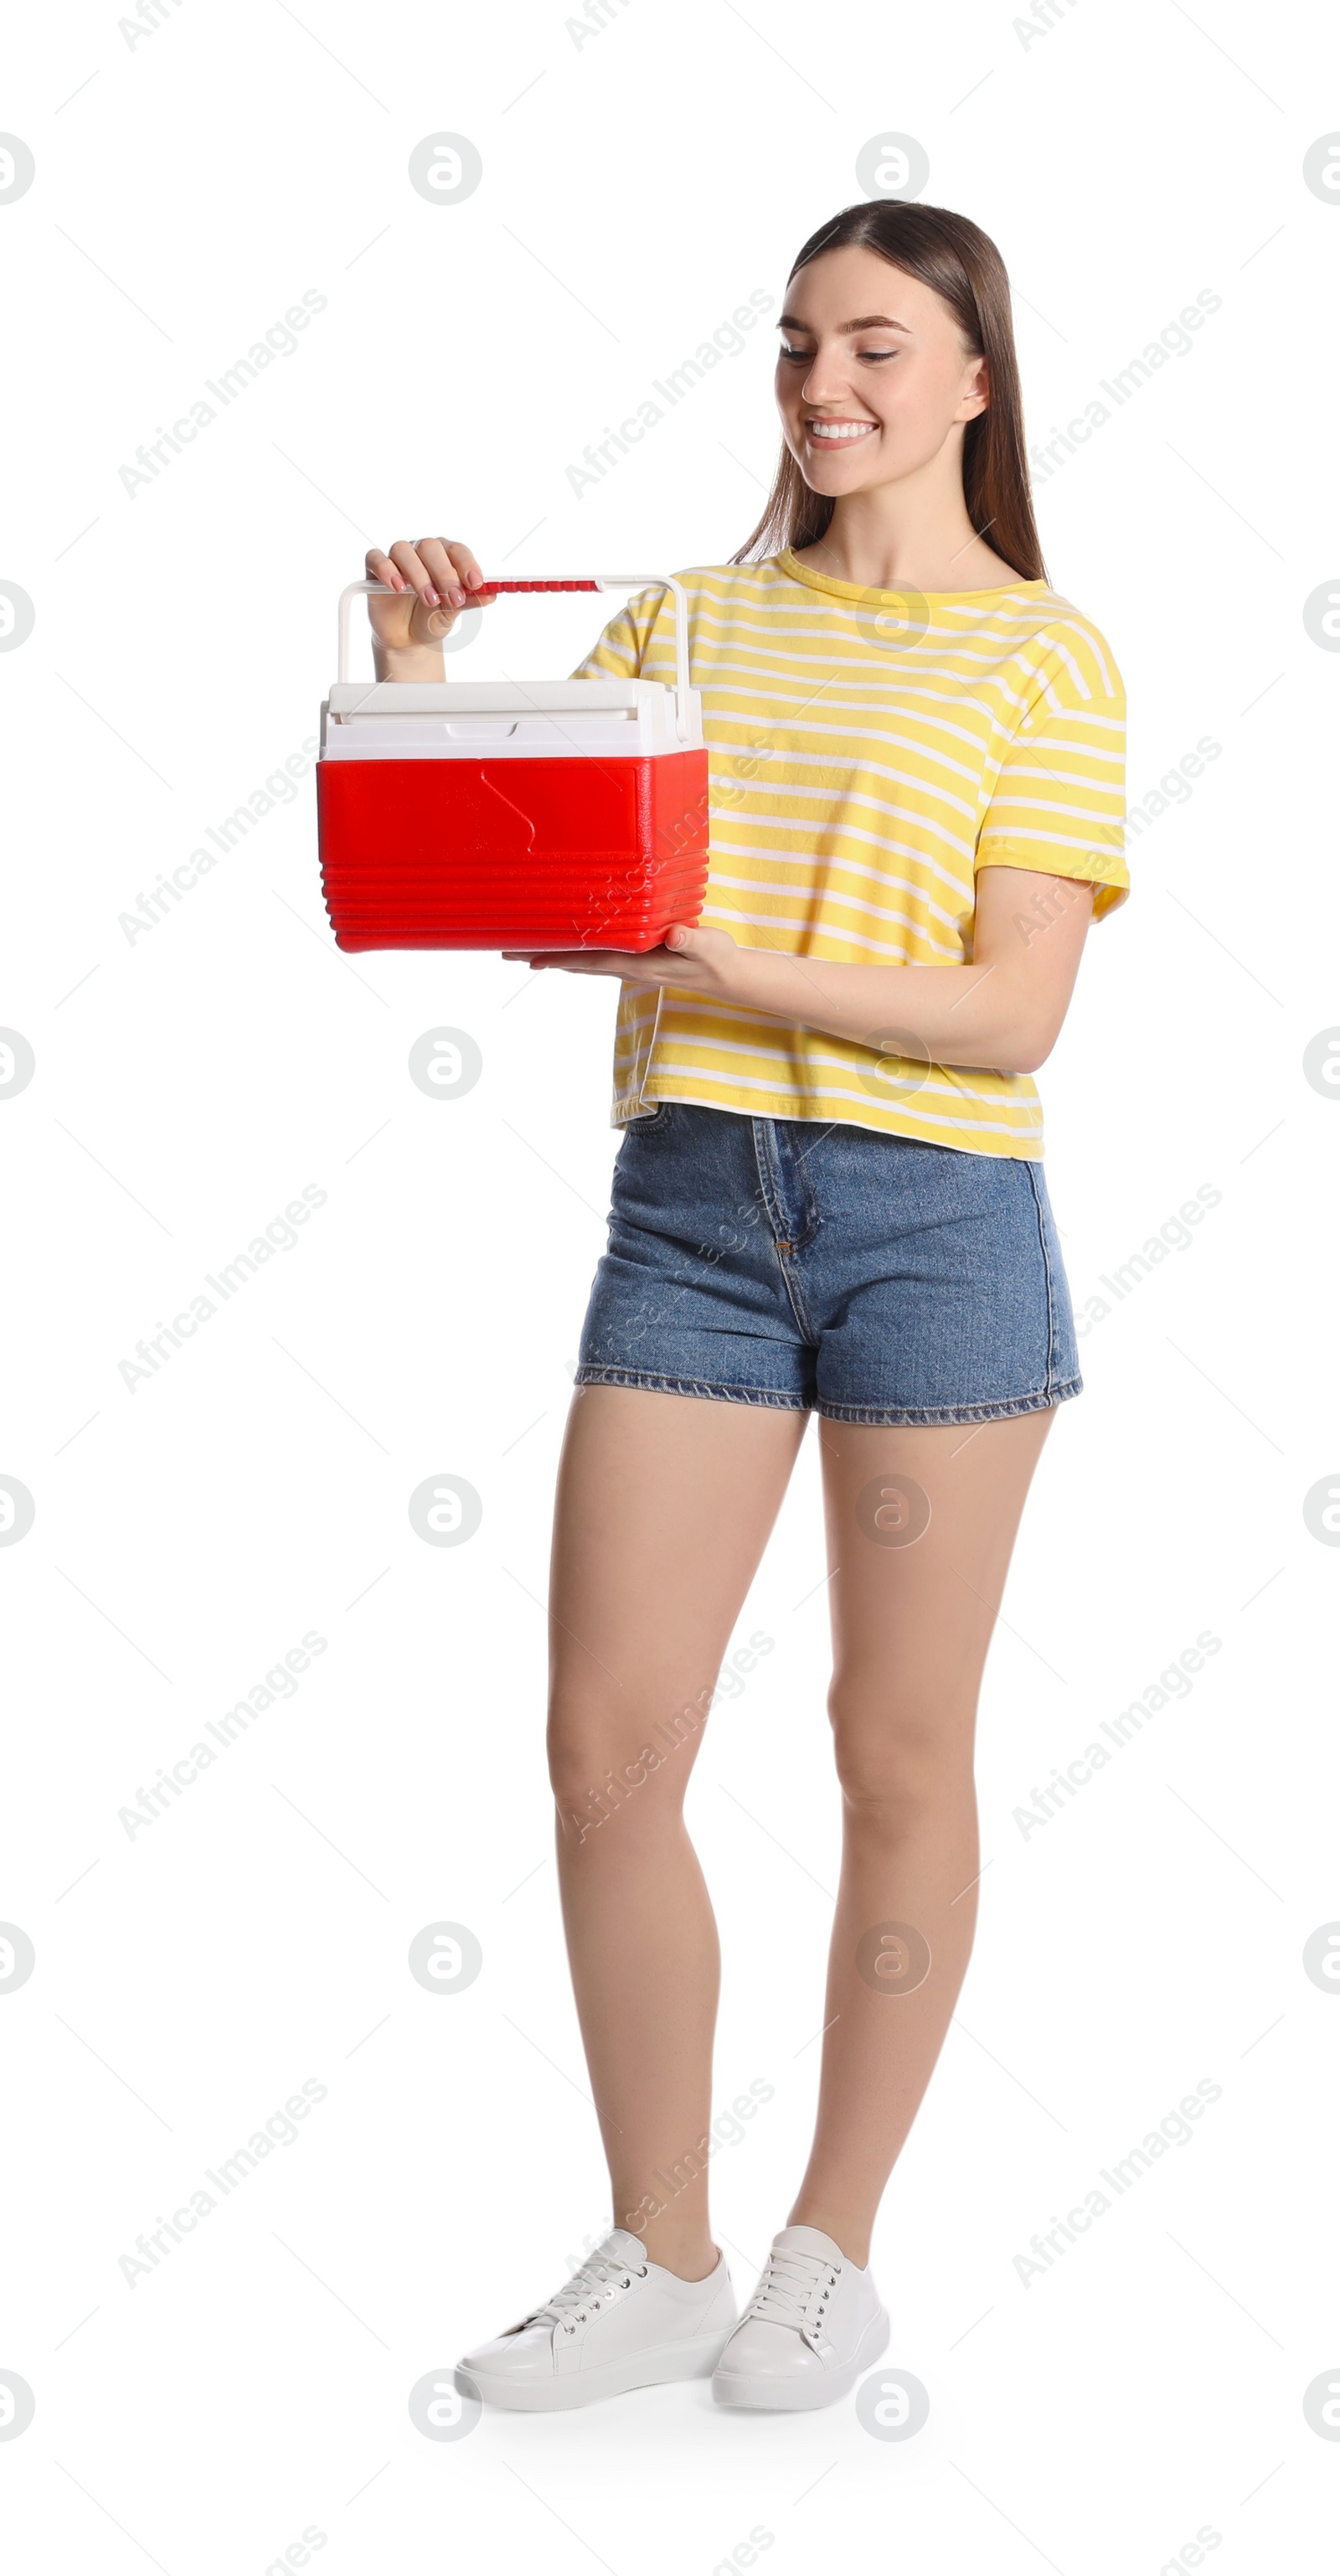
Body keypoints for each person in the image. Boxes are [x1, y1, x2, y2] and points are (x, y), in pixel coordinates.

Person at [364, 198, 1130, 2413]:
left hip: (933, 1220)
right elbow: (489, 862)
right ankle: (666, 2247)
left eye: (878, 346)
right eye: (799, 343)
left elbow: (1011, 1013)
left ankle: (832, 2253)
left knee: (892, 1750)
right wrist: (418, 675)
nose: (826, 386)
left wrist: (720, 973)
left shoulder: (1045, 655)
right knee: (608, 1749)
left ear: (976, 379)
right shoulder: (683, 622)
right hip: (694, 1210)